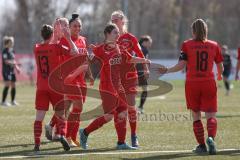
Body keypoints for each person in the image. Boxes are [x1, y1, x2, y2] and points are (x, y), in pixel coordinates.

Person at [79, 23, 150, 150]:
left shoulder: (119, 48)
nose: (118, 34)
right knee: (109, 116)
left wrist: (144, 61)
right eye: (115, 32)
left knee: (123, 112)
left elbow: (130, 59)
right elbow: (91, 62)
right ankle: (84, 132)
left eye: (118, 32)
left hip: (118, 87)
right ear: (107, 34)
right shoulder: (100, 49)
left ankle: (121, 143)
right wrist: (88, 56)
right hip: (107, 87)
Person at [157, 19, 223, 155]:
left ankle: (202, 145)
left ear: (193, 31)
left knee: (196, 115)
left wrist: (167, 70)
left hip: (192, 83)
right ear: (206, 30)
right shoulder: (214, 45)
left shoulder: (187, 44)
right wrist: (220, 76)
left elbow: (181, 65)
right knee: (210, 114)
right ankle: (211, 138)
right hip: (209, 82)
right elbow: (220, 66)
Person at [45, 13, 92, 148]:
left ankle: (53, 126)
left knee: (68, 107)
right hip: (70, 79)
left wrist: (89, 74)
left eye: (79, 26)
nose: (77, 28)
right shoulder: (64, 41)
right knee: (77, 108)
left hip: (81, 79)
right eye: (74, 26)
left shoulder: (83, 40)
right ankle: (68, 136)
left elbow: (84, 59)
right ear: (69, 28)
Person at [33, 19, 78, 152]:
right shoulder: (56, 47)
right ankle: (62, 135)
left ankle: (37, 144)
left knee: (39, 117)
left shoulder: (36, 48)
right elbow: (74, 52)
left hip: (41, 86)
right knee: (60, 114)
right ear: (52, 34)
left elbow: (45, 46)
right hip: (54, 86)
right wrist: (68, 38)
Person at [111, 10, 149, 148]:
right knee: (120, 110)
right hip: (116, 79)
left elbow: (139, 53)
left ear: (122, 20)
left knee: (131, 108)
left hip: (131, 77)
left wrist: (145, 67)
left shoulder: (130, 37)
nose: (114, 22)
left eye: (116, 19)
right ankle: (121, 139)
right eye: (112, 20)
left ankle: (134, 135)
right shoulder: (110, 39)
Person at [1, 36, 20, 107]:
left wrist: (17, 67)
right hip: (6, 70)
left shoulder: (12, 51)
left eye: (12, 42)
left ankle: (12, 101)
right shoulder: (4, 51)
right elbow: (6, 61)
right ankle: (3, 102)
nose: (12, 43)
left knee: (13, 85)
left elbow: (13, 60)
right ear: (8, 43)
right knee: (7, 84)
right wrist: (14, 63)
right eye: (11, 42)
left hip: (12, 71)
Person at [136, 35, 152, 114]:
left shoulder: (137, 47)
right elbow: (143, 61)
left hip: (132, 71)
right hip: (140, 72)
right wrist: (146, 70)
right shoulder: (144, 50)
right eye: (149, 42)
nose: (150, 44)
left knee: (129, 91)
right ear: (144, 42)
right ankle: (140, 107)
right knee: (145, 90)